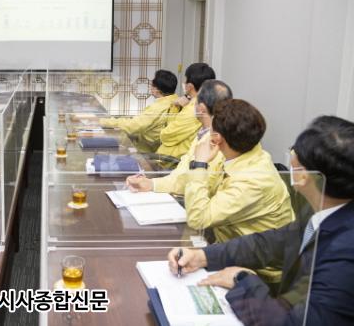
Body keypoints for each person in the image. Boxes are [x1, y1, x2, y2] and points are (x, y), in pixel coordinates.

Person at [167, 116, 354, 325]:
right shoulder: (326, 210)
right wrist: (203, 256)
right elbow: (271, 242)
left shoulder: (345, 255)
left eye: (294, 152)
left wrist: (242, 281)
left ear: (304, 176)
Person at [184, 99, 294, 284]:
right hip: (227, 247)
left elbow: (198, 218)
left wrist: (200, 164)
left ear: (217, 138)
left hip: (259, 273)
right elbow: (208, 191)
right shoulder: (245, 153)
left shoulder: (253, 179)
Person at [126, 79, 232, 194]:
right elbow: (180, 176)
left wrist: (153, 184)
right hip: (176, 182)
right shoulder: (204, 133)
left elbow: (195, 186)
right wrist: (151, 184)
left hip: (190, 197)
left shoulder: (214, 142)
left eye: (195, 101)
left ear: (201, 108)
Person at [99, 70, 179, 152]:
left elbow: (131, 126)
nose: (150, 87)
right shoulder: (175, 101)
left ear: (157, 89)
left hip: (145, 150)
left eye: (152, 85)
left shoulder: (157, 108)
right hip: (152, 145)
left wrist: (101, 121)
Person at [156, 62, 216, 158]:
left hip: (173, 160)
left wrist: (175, 107)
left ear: (190, 86)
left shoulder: (192, 109)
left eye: (185, 80)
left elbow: (166, 136)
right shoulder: (206, 103)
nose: (184, 83)